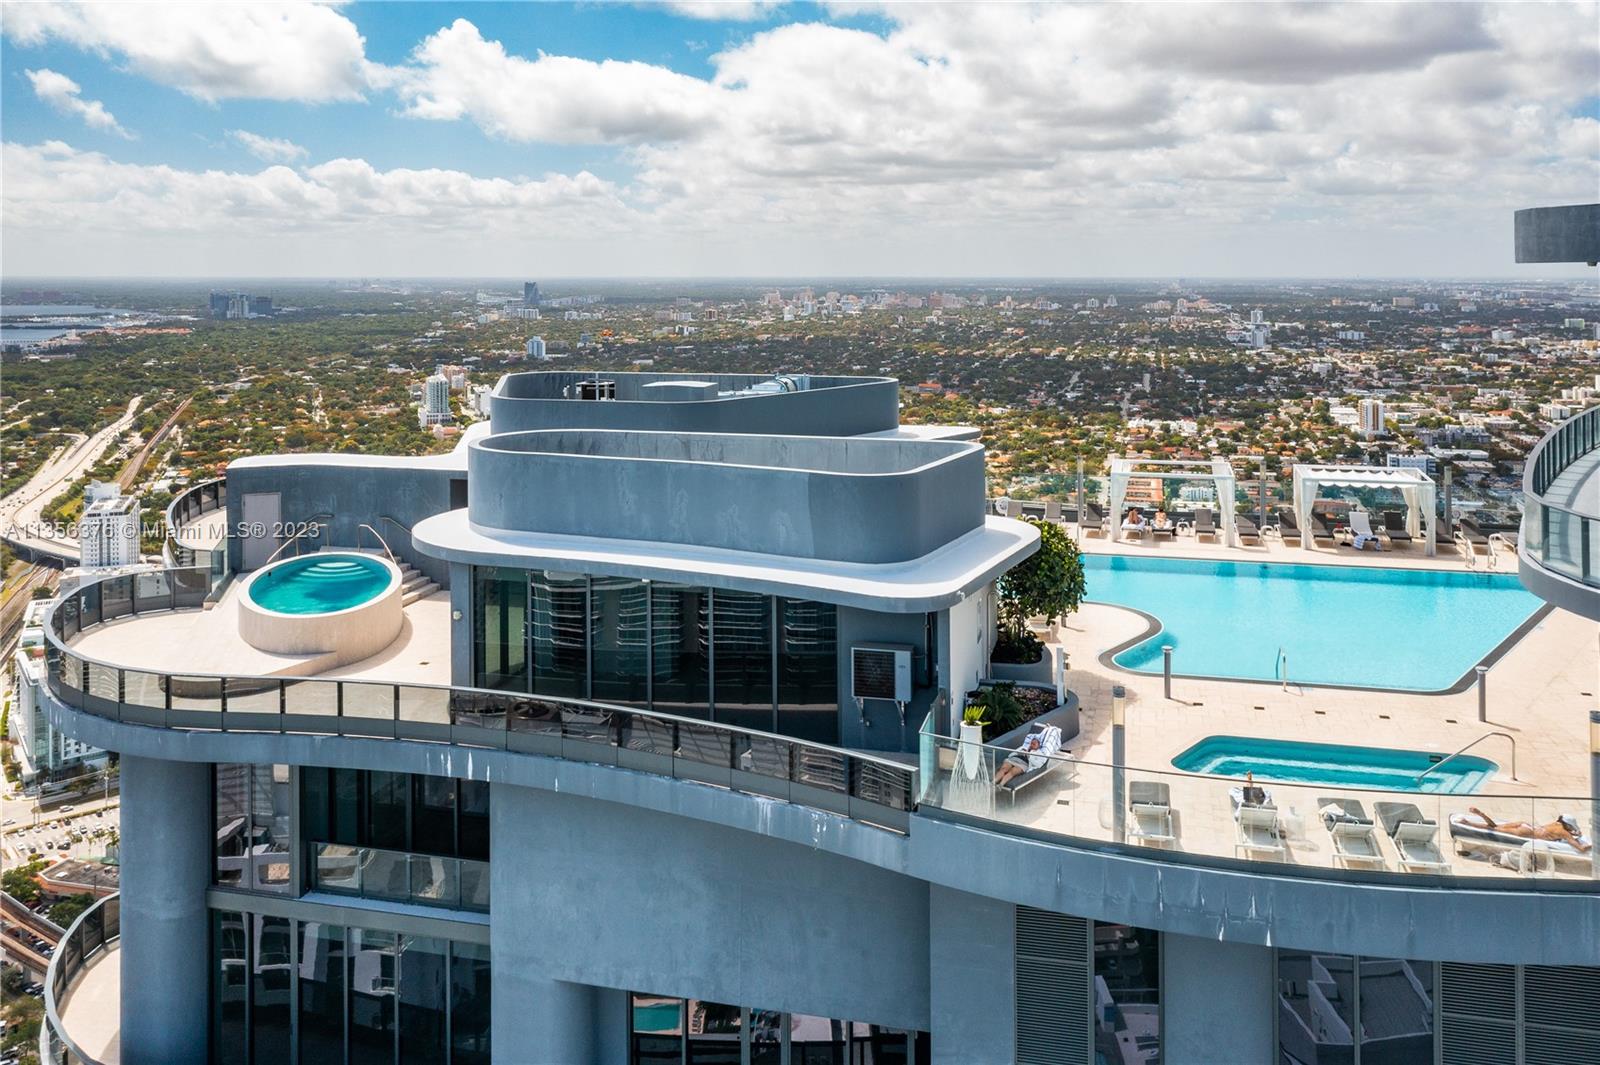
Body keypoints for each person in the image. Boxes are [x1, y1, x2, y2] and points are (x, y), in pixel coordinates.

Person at [1464, 808, 1591, 852]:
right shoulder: (1564, 833)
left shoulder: (1556, 823)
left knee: (1495, 827)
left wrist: (1575, 833)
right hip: (1527, 833)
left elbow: (1573, 832)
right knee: (1493, 829)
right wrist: (1590, 846)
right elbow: (1580, 848)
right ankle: (1469, 822)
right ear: (1568, 825)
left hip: (1526, 825)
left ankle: (1480, 815)